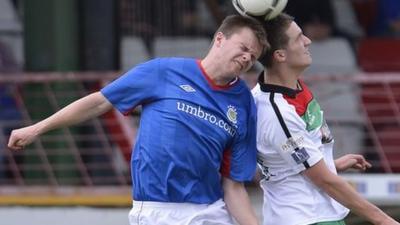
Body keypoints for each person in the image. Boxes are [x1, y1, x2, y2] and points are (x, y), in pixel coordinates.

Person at [7, 15, 268, 225]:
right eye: (244, 48)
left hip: (211, 210)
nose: (247, 58)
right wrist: (37, 128)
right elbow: (99, 102)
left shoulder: (244, 103)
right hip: (158, 211)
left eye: (253, 57)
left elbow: (234, 186)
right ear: (220, 39)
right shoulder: (164, 71)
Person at [252, 13, 400, 225]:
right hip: (305, 218)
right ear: (280, 55)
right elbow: (323, 180)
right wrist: (384, 220)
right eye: (298, 38)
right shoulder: (277, 112)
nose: (308, 41)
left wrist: (331, 164)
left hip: (317, 213)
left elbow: (291, 162)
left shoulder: (291, 85)